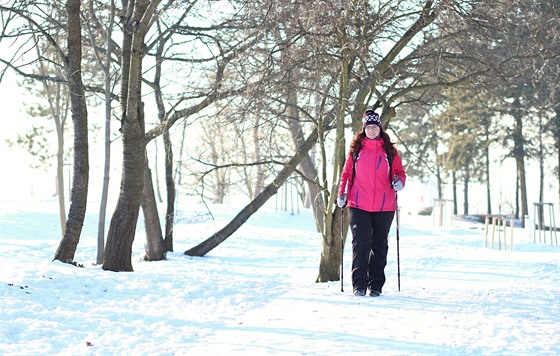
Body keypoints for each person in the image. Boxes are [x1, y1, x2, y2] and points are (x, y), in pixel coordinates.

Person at [337, 109, 406, 297]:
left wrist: (399, 182)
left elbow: (399, 173)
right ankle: (359, 285)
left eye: (375, 127)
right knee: (361, 243)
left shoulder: (390, 152)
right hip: (358, 204)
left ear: (380, 128)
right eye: (369, 127)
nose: (372, 130)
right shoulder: (356, 151)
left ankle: (375, 285)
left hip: (385, 206)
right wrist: (342, 193)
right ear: (364, 129)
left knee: (379, 245)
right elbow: (346, 175)